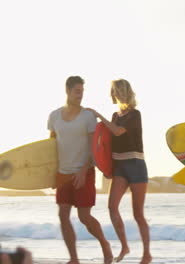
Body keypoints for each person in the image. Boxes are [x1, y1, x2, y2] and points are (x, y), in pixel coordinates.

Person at [48, 76, 113, 264]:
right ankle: (74, 258)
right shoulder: (54, 116)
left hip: (83, 171)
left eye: (82, 91)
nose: (80, 95)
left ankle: (105, 245)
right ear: (67, 90)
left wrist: (84, 170)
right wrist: (50, 174)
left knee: (84, 216)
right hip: (63, 173)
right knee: (63, 215)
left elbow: (95, 147)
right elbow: (51, 146)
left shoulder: (87, 116)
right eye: (77, 91)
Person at [87, 79, 152, 264]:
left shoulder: (134, 115)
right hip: (120, 167)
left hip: (136, 165)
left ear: (122, 93)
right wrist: (106, 167)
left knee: (138, 214)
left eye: (115, 91)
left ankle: (147, 254)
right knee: (112, 207)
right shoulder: (115, 116)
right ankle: (125, 245)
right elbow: (106, 145)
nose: (113, 95)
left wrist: (99, 115)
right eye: (112, 91)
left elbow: (118, 132)